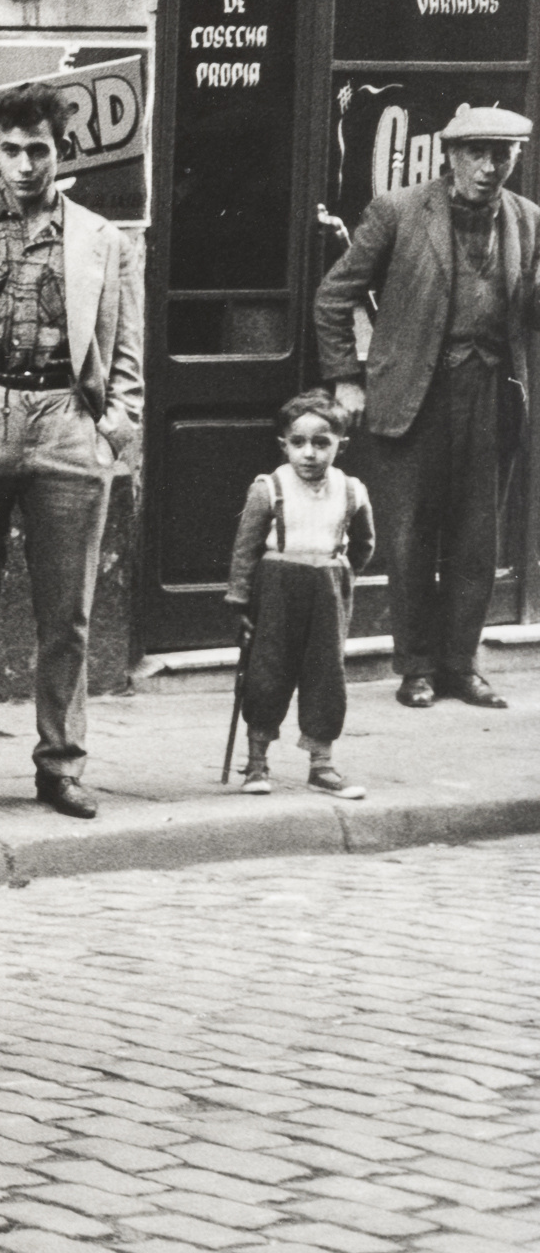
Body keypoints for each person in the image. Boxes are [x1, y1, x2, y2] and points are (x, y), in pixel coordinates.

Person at [0, 85, 144, 820]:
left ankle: (61, 764)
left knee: (66, 610)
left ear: (61, 152)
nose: (23, 164)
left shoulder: (105, 242)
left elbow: (128, 352)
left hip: (65, 418)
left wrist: (115, 426)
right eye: (10, 150)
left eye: (37, 149)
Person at [312, 103, 537, 711]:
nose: (491, 167)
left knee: (477, 542)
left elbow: (528, 318)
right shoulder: (400, 211)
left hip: (492, 399)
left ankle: (460, 665)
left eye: (504, 154)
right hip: (415, 396)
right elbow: (335, 297)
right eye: (478, 153)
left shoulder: (527, 220)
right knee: (410, 538)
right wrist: (346, 380)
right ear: (450, 155)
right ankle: (414, 666)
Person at [224, 390, 376, 800]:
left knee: (326, 675)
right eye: (298, 442)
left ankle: (321, 764)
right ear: (284, 444)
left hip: (327, 588)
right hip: (277, 587)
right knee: (268, 673)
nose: (309, 453)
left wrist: (339, 577)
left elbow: (363, 545)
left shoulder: (351, 490)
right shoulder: (269, 488)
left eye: (321, 443)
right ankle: (256, 763)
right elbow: (245, 549)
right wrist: (240, 601)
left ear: (340, 445)